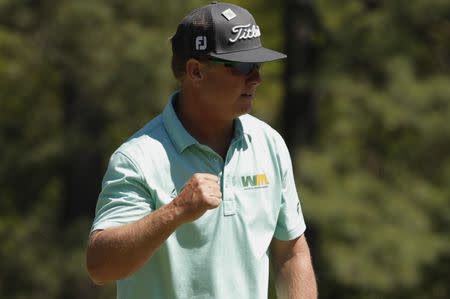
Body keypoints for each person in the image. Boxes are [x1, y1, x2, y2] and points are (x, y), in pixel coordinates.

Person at [86, 2, 317, 298]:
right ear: (195, 71)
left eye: (257, 66)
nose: (256, 78)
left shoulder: (269, 144)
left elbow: (291, 252)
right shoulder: (137, 158)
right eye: (243, 67)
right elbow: (100, 267)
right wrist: (176, 211)